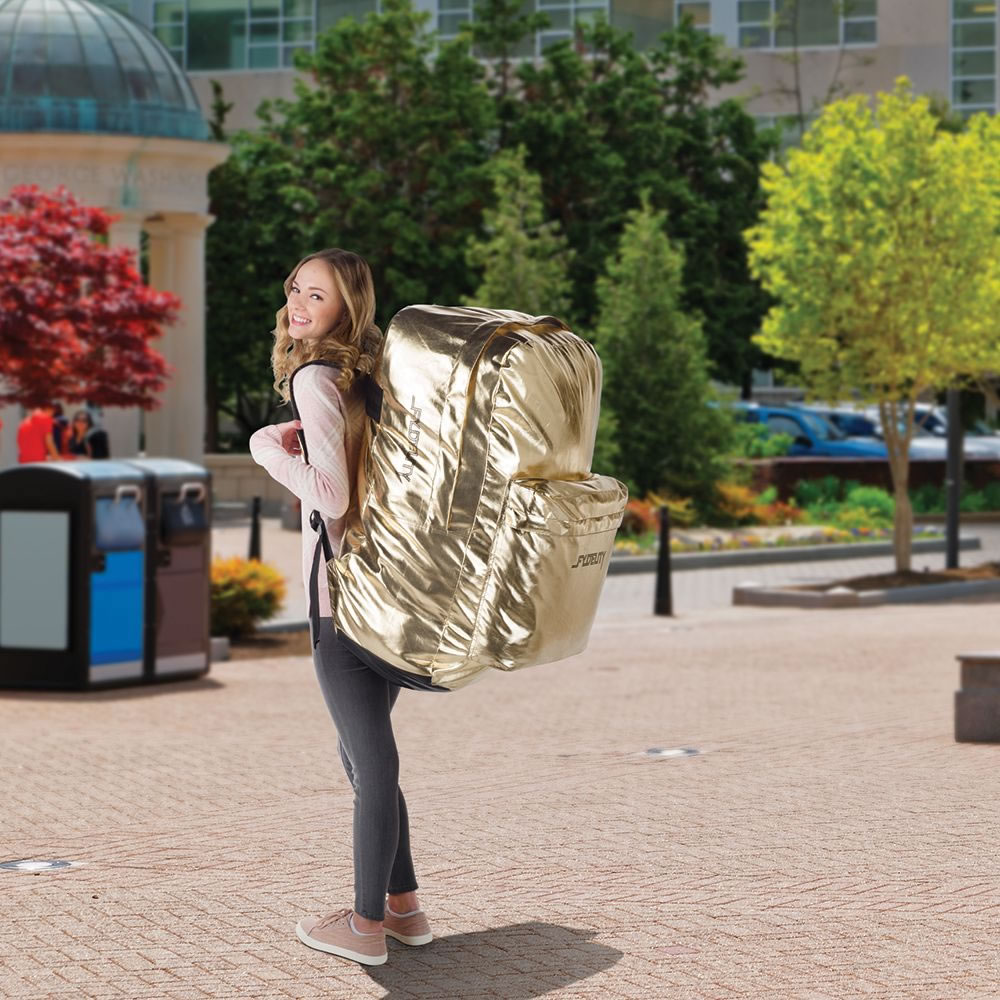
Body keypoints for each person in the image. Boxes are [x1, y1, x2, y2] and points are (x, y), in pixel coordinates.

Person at [249, 249, 431, 968]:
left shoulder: (315, 377)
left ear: (346, 308)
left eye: (315, 295)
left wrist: (268, 447)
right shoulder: (370, 380)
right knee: (363, 755)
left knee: (371, 760)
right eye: (294, 288)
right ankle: (404, 909)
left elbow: (331, 497)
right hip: (387, 590)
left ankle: (363, 924)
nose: (298, 304)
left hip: (341, 599)